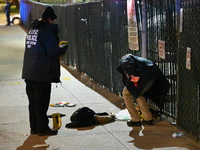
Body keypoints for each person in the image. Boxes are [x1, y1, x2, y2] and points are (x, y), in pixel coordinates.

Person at [22, 6, 68, 136]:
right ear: (49, 19)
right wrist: (63, 48)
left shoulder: (33, 30)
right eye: (53, 20)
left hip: (29, 72)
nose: (53, 23)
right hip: (42, 73)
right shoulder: (47, 31)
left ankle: (34, 128)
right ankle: (43, 128)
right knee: (41, 102)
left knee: (33, 103)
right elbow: (53, 52)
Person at [117, 54, 170, 126]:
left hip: (142, 78)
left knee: (126, 93)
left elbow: (127, 63)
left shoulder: (126, 58)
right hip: (151, 76)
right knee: (139, 94)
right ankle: (147, 118)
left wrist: (131, 74)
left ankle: (135, 119)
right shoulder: (139, 61)